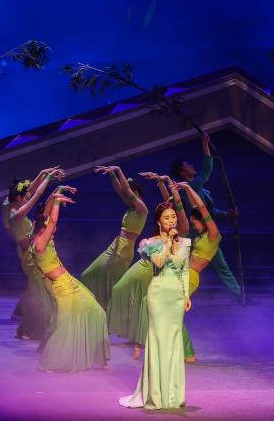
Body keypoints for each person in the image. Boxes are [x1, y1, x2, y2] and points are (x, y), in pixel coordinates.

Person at [119, 201, 191, 410]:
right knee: (158, 341)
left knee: (174, 342)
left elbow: (185, 270)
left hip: (176, 298)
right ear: (159, 221)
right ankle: (155, 394)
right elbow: (158, 263)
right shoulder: (150, 243)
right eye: (167, 218)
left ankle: (172, 395)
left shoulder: (185, 243)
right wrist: (167, 242)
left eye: (173, 217)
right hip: (158, 296)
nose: (172, 220)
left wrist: (186, 294)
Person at [31, 185, 110, 372]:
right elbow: (53, 220)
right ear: (43, 229)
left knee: (97, 312)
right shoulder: (39, 243)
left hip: (69, 280)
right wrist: (58, 201)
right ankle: (53, 362)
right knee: (65, 324)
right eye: (50, 228)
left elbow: (47, 215)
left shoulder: (37, 232)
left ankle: (99, 357)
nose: (53, 230)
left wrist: (57, 192)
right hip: (61, 286)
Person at [169, 131, 242, 303]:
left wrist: (227, 214)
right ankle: (173, 294)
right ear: (182, 172)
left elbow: (210, 211)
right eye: (187, 165)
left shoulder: (198, 189)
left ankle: (239, 297)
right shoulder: (190, 186)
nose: (191, 166)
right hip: (198, 235)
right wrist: (205, 145)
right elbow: (207, 172)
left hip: (205, 234)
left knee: (219, 266)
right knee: (185, 265)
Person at [2, 166, 63, 339]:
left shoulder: (14, 206)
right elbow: (36, 195)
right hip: (29, 256)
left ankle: (25, 329)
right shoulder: (16, 214)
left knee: (35, 294)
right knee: (40, 295)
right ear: (19, 198)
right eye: (25, 197)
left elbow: (32, 192)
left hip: (31, 253)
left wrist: (44, 174)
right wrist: (48, 178)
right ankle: (33, 330)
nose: (27, 197)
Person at [80, 165, 149, 310]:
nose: (126, 198)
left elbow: (127, 191)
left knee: (112, 287)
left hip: (124, 251)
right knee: (88, 274)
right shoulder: (131, 207)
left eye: (129, 195)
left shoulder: (142, 209)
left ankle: (111, 315)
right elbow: (120, 190)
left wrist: (118, 169)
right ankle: (93, 307)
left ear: (135, 193)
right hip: (114, 246)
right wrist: (112, 174)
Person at [175, 180, 222, 364]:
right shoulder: (202, 235)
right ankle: (182, 350)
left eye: (195, 223)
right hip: (183, 273)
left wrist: (188, 187)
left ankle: (188, 353)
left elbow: (201, 207)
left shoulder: (213, 235)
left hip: (192, 277)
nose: (194, 226)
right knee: (172, 312)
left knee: (174, 313)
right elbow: (196, 207)